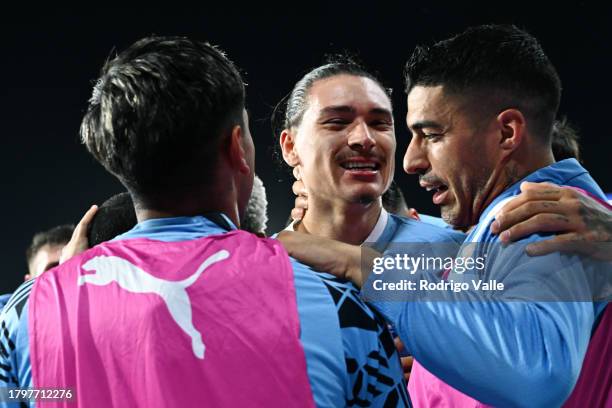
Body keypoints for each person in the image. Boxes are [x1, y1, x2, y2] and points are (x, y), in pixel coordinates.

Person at [0, 37, 407, 408]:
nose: (363, 139)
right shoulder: (338, 306)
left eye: (380, 122)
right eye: (337, 122)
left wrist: (55, 296)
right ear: (243, 148)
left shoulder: (23, 317)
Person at [279, 25, 610, 407]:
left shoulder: (541, 216)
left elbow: (537, 370)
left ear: (507, 133)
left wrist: (361, 265)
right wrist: (427, 356)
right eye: (336, 122)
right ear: (291, 147)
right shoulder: (493, 230)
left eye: (432, 135)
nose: (411, 160)